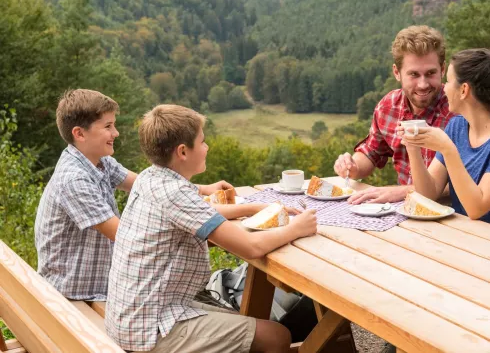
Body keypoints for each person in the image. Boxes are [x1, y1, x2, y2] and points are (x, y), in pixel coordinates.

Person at [105, 104, 317, 353]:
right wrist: (297, 228)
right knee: (276, 337)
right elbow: (251, 247)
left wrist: (254, 208)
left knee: (240, 318)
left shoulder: (150, 179)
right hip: (150, 328)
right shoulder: (175, 193)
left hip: (131, 315)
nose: (207, 148)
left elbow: (200, 213)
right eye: (203, 142)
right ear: (183, 151)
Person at [34, 89, 230, 301]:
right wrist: (194, 219)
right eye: (108, 126)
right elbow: (127, 237)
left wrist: (202, 189)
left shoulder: (98, 161)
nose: (116, 133)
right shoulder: (74, 180)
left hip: (97, 286)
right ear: (79, 134)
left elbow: (148, 185)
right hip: (77, 295)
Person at [334, 25, 454, 204]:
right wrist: (352, 166)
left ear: (442, 70)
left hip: (452, 215)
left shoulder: (459, 111)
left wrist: (402, 192)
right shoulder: (389, 106)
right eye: (414, 74)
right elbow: (371, 153)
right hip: (405, 211)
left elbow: (472, 180)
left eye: (430, 73)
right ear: (397, 73)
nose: (423, 84)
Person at [400, 49, 490, 222]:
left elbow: (476, 208)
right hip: (461, 236)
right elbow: (429, 193)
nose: (444, 87)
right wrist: (413, 147)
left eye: (448, 81)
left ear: (464, 90)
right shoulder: (456, 127)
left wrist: (447, 149)